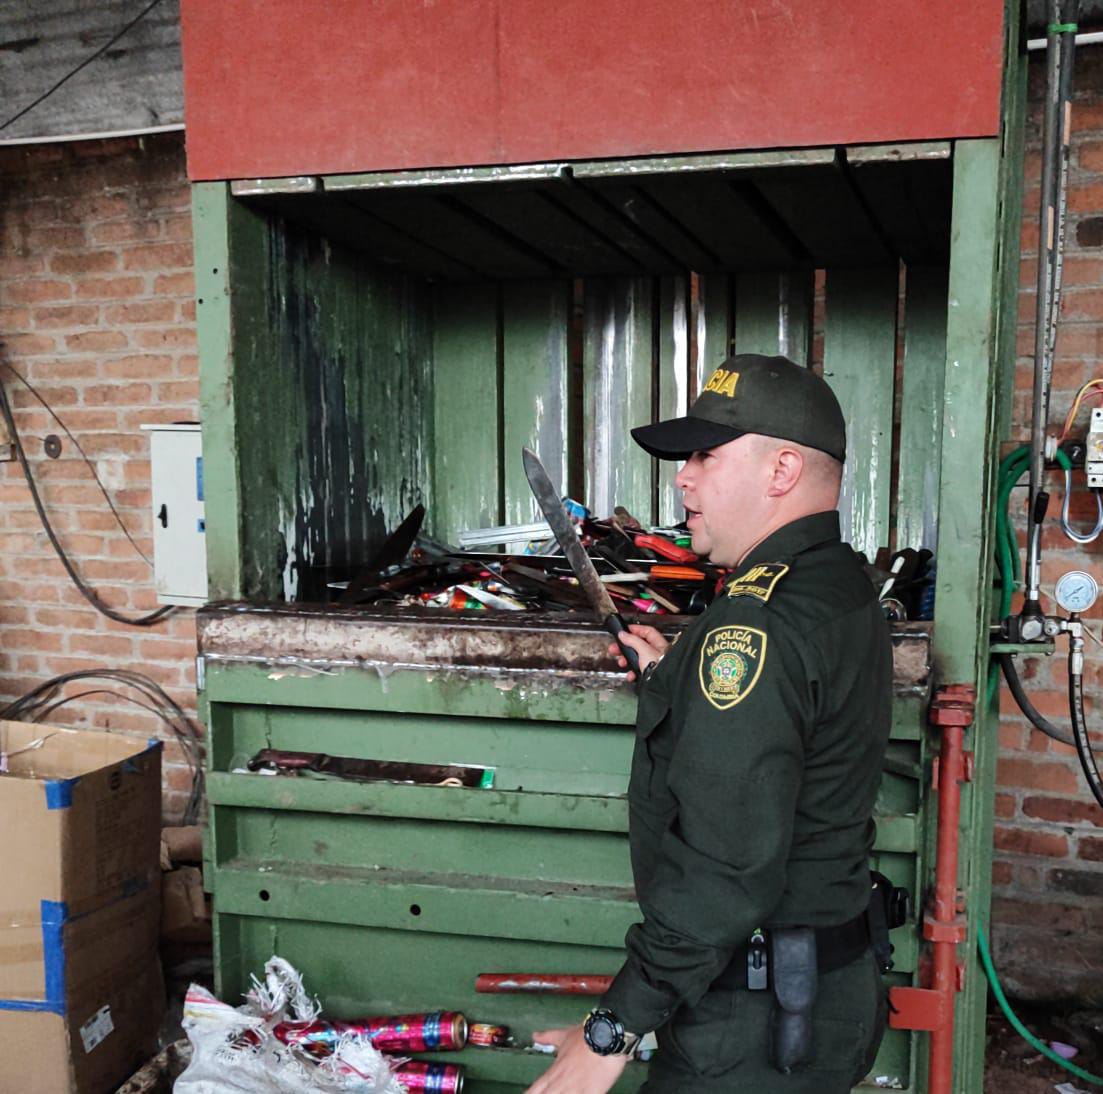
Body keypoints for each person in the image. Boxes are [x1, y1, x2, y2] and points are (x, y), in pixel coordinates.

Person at [526, 353, 893, 1094]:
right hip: (822, 990)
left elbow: (724, 869)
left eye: (704, 454)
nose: (682, 478)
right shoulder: (836, 580)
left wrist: (609, 1034)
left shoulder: (756, 626)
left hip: (756, 1029)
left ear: (781, 470)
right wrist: (678, 673)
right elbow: (794, 722)